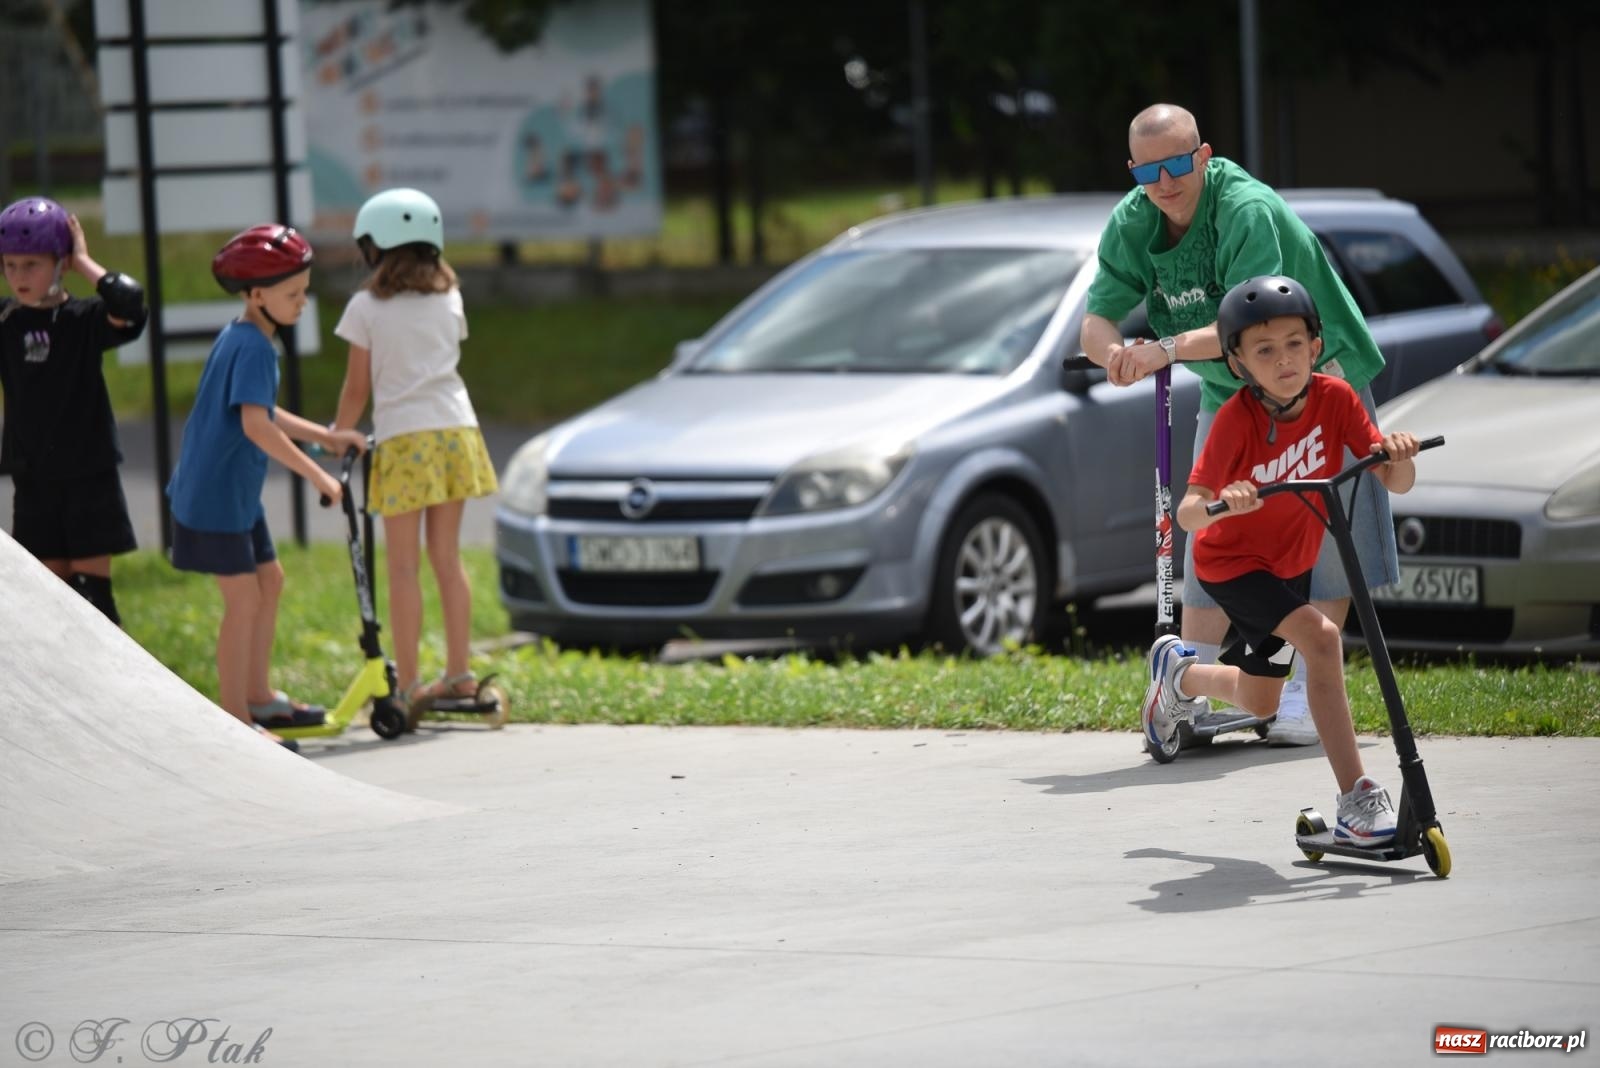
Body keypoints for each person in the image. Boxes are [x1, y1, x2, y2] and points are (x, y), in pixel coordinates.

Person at [1079, 103, 1398, 747]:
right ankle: (1184, 686)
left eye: (1178, 164)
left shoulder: (1242, 208)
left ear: (1202, 155)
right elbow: (1097, 319)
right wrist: (1114, 353)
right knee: (1214, 527)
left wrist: (1163, 349)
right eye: (1150, 170)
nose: (1165, 183)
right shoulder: (1132, 221)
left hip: (1312, 373)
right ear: (1133, 170)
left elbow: (1249, 325)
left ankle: (1304, 698)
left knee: (1328, 525)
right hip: (1231, 389)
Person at [1142, 276, 1420, 846]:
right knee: (1321, 638)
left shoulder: (1336, 400)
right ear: (1239, 364)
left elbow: (1396, 481)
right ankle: (1357, 801)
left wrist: (1398, 455)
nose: (1284, 359)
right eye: (1264, 350)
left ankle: (1178, 675)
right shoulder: (1236, 421)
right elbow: (1190, 513)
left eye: (1295, 343)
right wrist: (1224, 504)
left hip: (1288, 564)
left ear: (1316, 347)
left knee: (1261, 698)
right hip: (1232, 566)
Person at [166, 224, 367, 750]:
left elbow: (262, 410)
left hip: (234, 494)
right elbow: (257, 427)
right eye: (293, 294)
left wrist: (326, 436)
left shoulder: (245, 336)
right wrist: (318, 473)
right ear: (258, 295)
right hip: (215, 498)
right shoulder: (254, 347)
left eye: (304, 291)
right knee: (244, 601)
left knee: (269, 582)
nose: (302, 302)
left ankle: (256, 695)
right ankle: (235, 720)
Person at [331, 188, 498, 715]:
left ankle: (407, 687)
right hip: (456, 433)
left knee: (403, 568)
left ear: (376, 247)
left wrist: (339, 431)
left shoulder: (365, 308)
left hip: (405, 440)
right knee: (447, 559)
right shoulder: (450, 299)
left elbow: (358, 388)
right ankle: (461, 675)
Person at [0, 196, 147, 624]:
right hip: (34, 478)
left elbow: (130, 305)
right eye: (10, 265)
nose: (18, 276)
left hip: (88, 475)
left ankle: (111, 687)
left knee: (93, 599)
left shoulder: (83, 318)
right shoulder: (6, 321)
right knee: (48, 601)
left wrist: (81, 260)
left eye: (31, 265)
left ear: (57, 262)